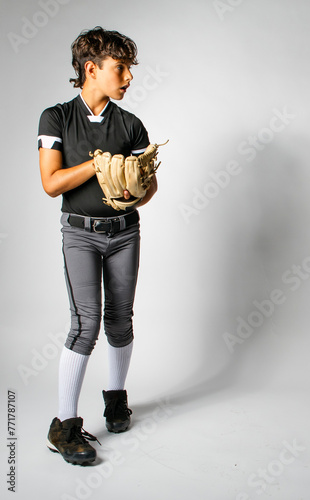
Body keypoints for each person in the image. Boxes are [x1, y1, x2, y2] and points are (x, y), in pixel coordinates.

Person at [38, 26, 157, 466]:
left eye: (129, 68)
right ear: (92, 68)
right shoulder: (56, 118)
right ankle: (63, 425)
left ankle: (115, 399)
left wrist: (134, 192)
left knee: (120, 320)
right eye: (120, 68)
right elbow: (51, 184)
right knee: (84, 326)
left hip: (125, 231)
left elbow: (149, 186)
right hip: (81, 233)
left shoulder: (131, 123)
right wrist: (99, 164)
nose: (128, 77)